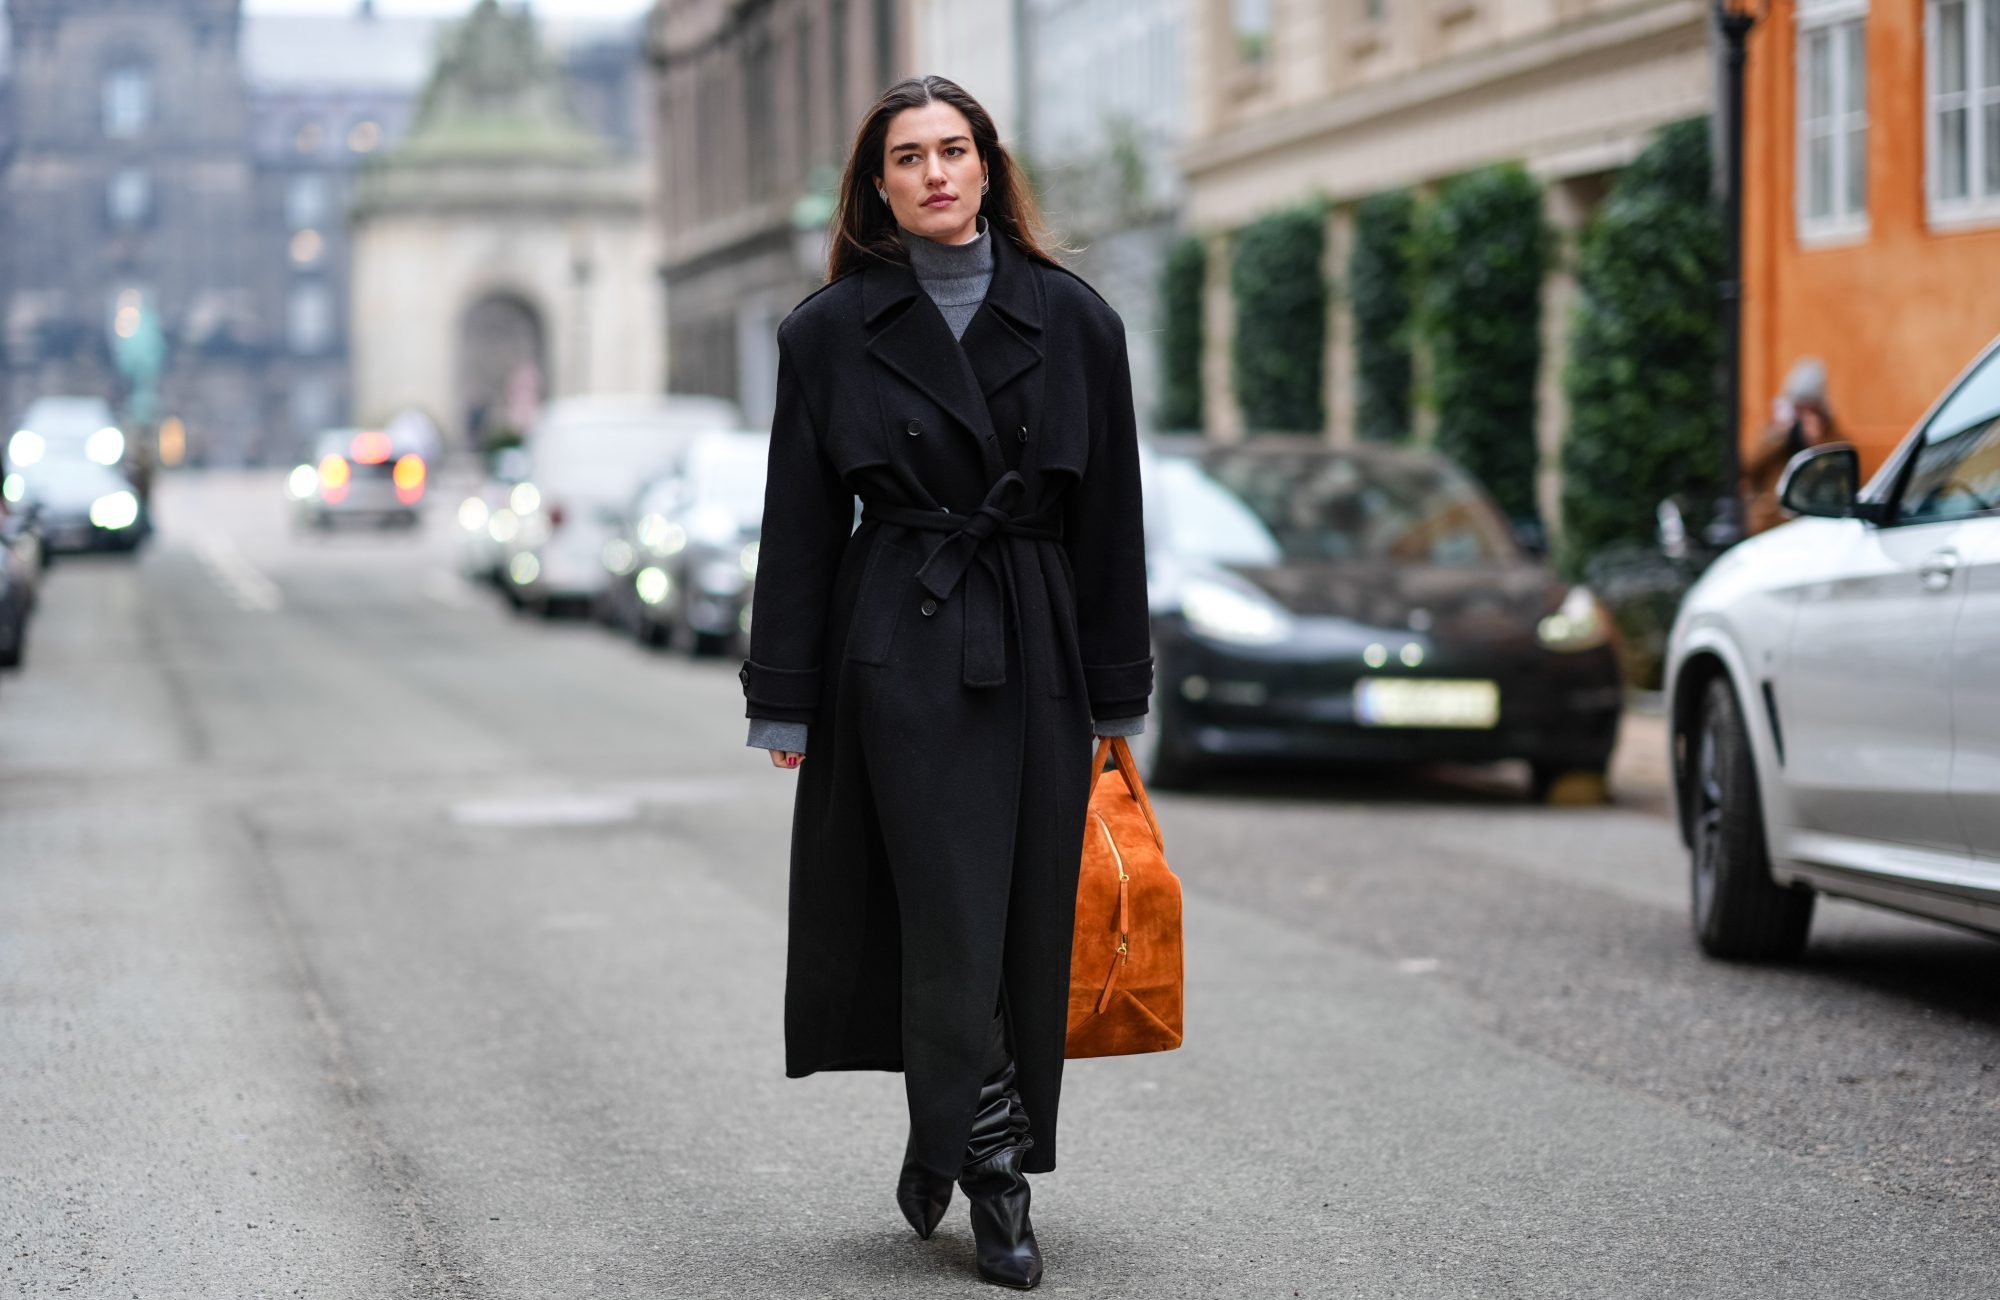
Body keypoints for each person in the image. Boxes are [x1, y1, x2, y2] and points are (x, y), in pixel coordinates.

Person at [738, 76, 1152, 1291]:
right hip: (898, 646)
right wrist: (786, 694)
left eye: (953, 150)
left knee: (1018, 913)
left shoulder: (1075, 321)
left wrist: (1118, 700)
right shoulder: (827, 331)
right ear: (878, 183)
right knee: (941, 915)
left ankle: (942, 1139)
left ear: (986, 167)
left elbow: (1110, 523)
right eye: (908, 156)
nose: (933, 172)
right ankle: (992, 1175)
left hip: (1033, 644)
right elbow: (798, 524)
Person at [1745, 357, 1842, 534]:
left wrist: (1817, 438)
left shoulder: (1830, 432)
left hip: (1813, 522)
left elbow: (1836, 470)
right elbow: (1751, 465)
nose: (1802, 413)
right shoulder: (1778, 430)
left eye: (1808, 407)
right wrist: (1778, 431)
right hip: (1772, 523)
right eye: (1798, 406)